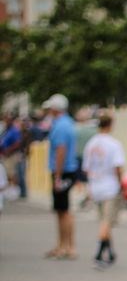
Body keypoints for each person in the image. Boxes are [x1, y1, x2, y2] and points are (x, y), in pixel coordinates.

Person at [82, 112, 125, 269]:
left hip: (96, 186)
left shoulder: (91, 144)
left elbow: (86, 168)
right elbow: (118, 167)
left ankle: (110, 252)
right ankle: (99, 254)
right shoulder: (114, 144)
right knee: (107, 222)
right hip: (110, 187)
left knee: (103, 222)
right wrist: (121, 184)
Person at [42, 93, 78, 260]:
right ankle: (62, 245)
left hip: (63, 171)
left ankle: (68, 246)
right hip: (64, 171)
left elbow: (61, 150)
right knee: (60, 210)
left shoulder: (61, 126)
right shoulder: (65, 123)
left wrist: (57, 175)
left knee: (64, 210)